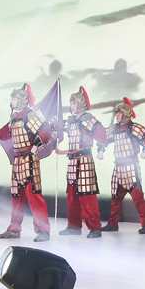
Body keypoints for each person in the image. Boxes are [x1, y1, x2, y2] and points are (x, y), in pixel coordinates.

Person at [0, 84, 53, 242]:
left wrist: (37, 144)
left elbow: (45, 129)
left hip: (29, 161)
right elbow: (6, 131)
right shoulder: (15, 118)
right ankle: (14, 228)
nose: (12, 101)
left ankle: (43, 230)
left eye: (14, 98)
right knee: (16, 196)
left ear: (20, 100)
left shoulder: (30, 115)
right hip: (17, 161)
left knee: (34, 196)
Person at [100, 97, 145, 234]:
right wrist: (101, 150)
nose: (117, 115)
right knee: (115, 198)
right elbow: (103, 138)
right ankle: (113, 224)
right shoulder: (114, 129)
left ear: (125, 113)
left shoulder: (134, 128)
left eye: (119, 113)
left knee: (138, 197)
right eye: (116, 113)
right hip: (118, 167)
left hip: (131, 166)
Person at [58, 87, 107, 238]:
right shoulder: (71, 121)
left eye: (73, 103)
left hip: (85, 161)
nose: (71, 106)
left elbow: (101, 135)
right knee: (72, 197)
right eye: (71, 103)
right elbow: (58, 126)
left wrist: (100, 150)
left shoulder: (89, 120)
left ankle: (95, 228)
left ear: (79, 104)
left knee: (87, 196)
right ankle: (73, 227)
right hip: (72, 162)